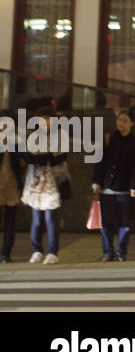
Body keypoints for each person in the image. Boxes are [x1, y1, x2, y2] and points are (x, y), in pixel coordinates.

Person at [91, 108, 135, 261]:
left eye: (125, 121)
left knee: (124, 222)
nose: (121, 123)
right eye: (119, 120)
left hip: (125, 187)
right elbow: (99, 161)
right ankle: (108, 251)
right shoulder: (109, 138)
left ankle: (121, 252)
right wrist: (96, 181)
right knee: (106, 222)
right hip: (107, 185)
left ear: (132, 123)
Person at [20, 108, 67, 265]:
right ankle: (37, 250)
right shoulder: (33, 137)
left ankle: (53, 252)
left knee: (51, 219)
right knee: (37, 220)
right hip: (36, 184)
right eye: (41, 121)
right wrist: (47, 155)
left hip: (54, 183)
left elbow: (59, 157)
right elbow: (28, 157)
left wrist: (41, 157)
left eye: (48, 121)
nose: (44, 124)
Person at [0, 111, 24, 264]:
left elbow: (23, 161)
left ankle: (5, 254)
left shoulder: (18, 141)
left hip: (12, 185)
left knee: (10, 222)